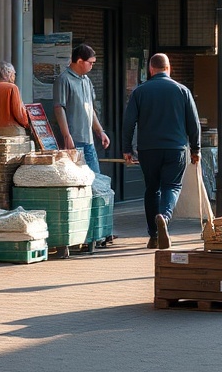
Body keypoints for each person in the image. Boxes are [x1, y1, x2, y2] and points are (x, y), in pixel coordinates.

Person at [122, 53, 201, 249]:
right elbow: (194, 123)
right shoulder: (182, 91)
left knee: (152, 189)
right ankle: (164, 217)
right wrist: (196, 148)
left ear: (150, 69)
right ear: (169, 68)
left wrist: (126, 149)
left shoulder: (139, 92)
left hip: (148, 150)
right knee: (172, 186)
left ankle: (154, 235)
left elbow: (128, 123)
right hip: (176, 148)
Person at [53, 43, 109, 174]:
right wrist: (67, 136)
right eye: (90, 63)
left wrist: (100, 131)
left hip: (89, 141)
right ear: (79, 61)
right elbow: (58, 108)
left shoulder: (86, 80)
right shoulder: (64, 79)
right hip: (73, 141)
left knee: (96, 180)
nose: (92, 66)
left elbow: (90, 109)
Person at [0, 61, 29, 138]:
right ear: (8, 73)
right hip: (13, 131)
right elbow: (19, 113)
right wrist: (27, 123)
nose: (14, 77)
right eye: (14, 74)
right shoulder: (12, 87)